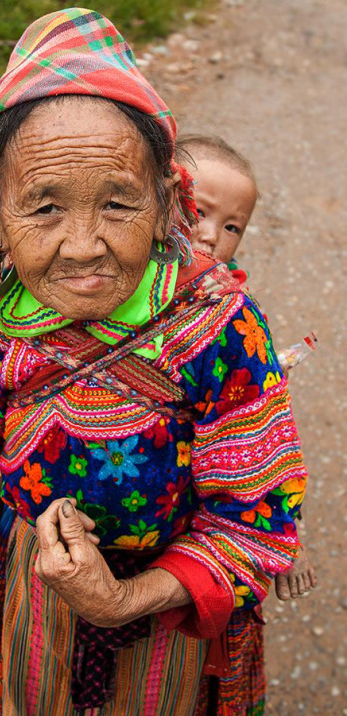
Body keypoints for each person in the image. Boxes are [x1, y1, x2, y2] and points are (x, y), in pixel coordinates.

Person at [0, 9, 309, 716]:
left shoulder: (219, 330)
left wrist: (126, 598)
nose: (82, 248)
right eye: (42, 208)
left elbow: (256, 515)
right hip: (38, 580)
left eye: (118, 203)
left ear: (167, 203)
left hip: (169, 597)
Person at [180, 133, 317, 601]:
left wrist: (281, 529)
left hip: (194, 517)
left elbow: (262, 435)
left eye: (233, 227)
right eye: (197, 211)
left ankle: (273, 537)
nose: (211, 235)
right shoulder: (97, 278)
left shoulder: (232, 314)